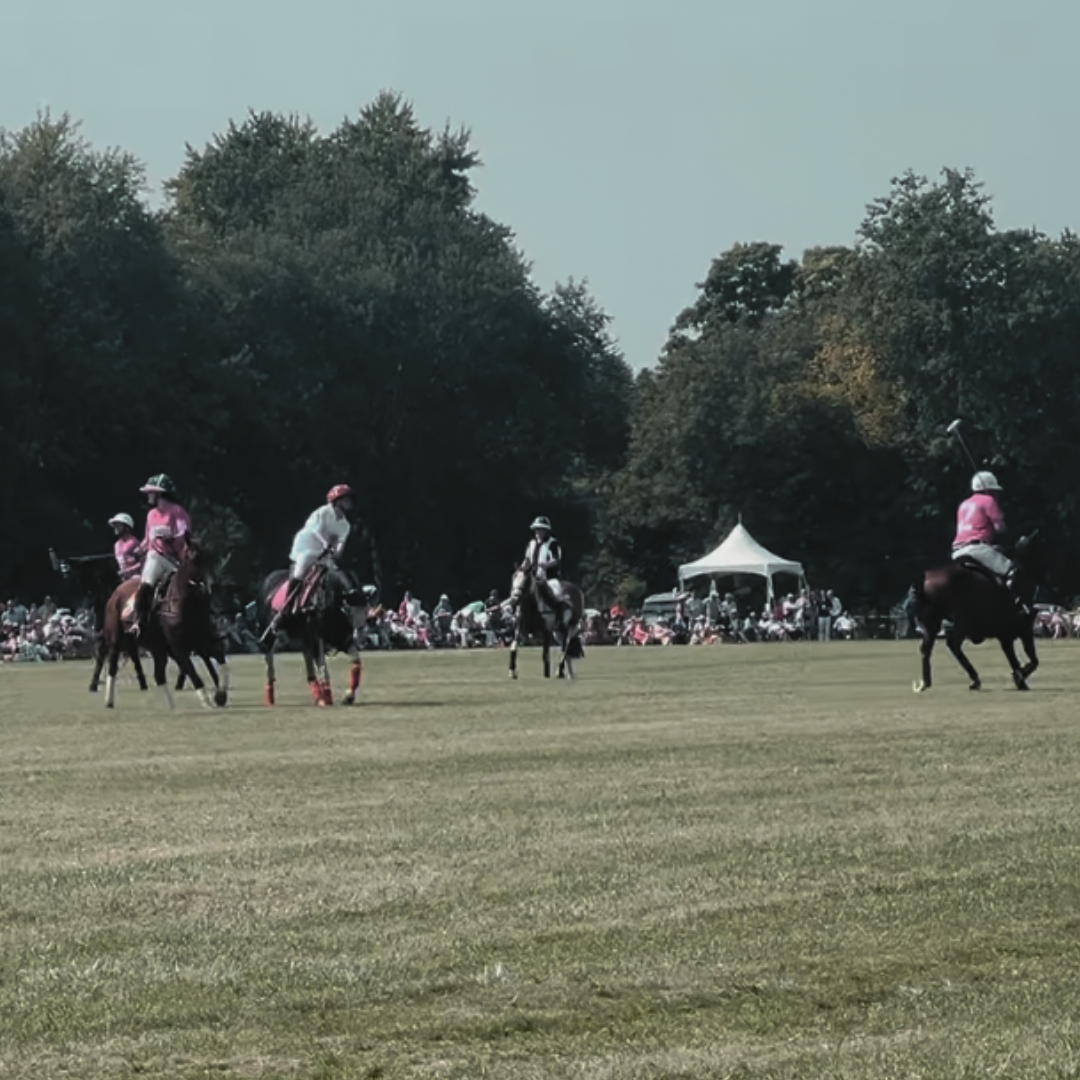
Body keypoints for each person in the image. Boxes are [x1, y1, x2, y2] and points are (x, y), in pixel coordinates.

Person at [267, 484, 354, 635]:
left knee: (336, 574)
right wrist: (325, 543)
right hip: (306, 547)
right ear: (336, 500)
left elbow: (341, 543)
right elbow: (315, 531)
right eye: (346, 499)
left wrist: (337, 553)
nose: (349, 502)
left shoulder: (345, 525)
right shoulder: (323, 512)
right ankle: (283, 612)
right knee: (299, 574)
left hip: (324, 553)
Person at [952, 471, 1027, 613]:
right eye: (994, 491)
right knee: (1012, 571)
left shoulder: (963, 504)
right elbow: (1000, 529)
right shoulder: (989, 501)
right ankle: (1013, 607)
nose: (996, 495)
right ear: (987, 489)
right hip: (977, 549)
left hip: (957, 550)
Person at [132, 474, 193, 635]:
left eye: (150, 493)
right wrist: (139, 549)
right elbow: (147, 539)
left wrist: (171, 537)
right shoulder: (151, 515)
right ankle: (139, 621)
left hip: (175, 559)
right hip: (155, 557)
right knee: (146, 585)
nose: (148, 496)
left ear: (159, 494)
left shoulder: (177, 511)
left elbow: (183, 532)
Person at [522, 515, 565, 611]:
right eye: (536, 529)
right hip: (532, 577)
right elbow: (527, 559)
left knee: (557, 596)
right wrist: (522, 568)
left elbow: (556, 560)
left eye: (541, 530)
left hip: (549, 578)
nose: (538, 532)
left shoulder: (552, 543)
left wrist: (544, 564)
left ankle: (559, 617)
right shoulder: (531, 544)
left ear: (546, 531)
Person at [109, 513, 144, 582]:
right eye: (115, 525)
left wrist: (129, 570)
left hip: (136, 577)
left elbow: (143, 562)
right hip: (123, 579)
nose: (116, 528)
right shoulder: (116, 545)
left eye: (118, 525)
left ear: (126, 527)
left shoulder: (133, 542)